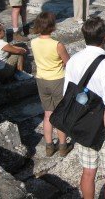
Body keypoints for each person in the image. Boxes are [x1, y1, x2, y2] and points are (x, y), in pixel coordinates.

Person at [64, 17, 105, 199]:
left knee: (88, 171)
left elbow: (67, 96)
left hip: (82, 122)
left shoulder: (73, 60)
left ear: (84, 36)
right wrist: (98, 131)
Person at [31, 12, 72, 157]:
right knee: (59, 114)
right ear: (52, 27)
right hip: (57, 80)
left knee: (48, 113)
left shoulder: (33, 42)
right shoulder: (57, 45)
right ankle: (62, 145)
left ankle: (49, 146)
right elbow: (68, 62)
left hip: (41, 80)